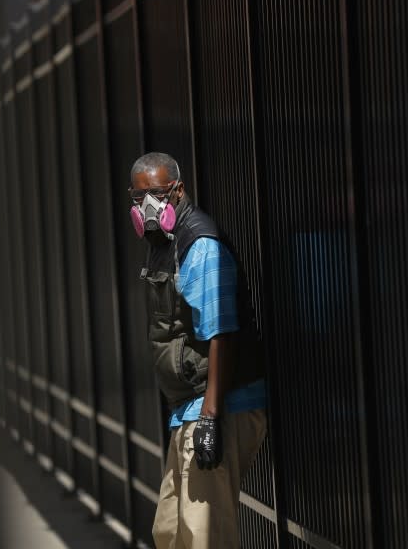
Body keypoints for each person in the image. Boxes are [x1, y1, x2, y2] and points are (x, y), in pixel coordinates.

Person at [127, 152, 268, 549]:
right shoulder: (164, 243)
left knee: (204, 537)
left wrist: (209, 419)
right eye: (138, 198)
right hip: (188, 408)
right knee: (172, 532)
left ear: (177, 189)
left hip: (218, 406)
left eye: (155, 193)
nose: (147, 206)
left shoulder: (200, 245)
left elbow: (219, 332)